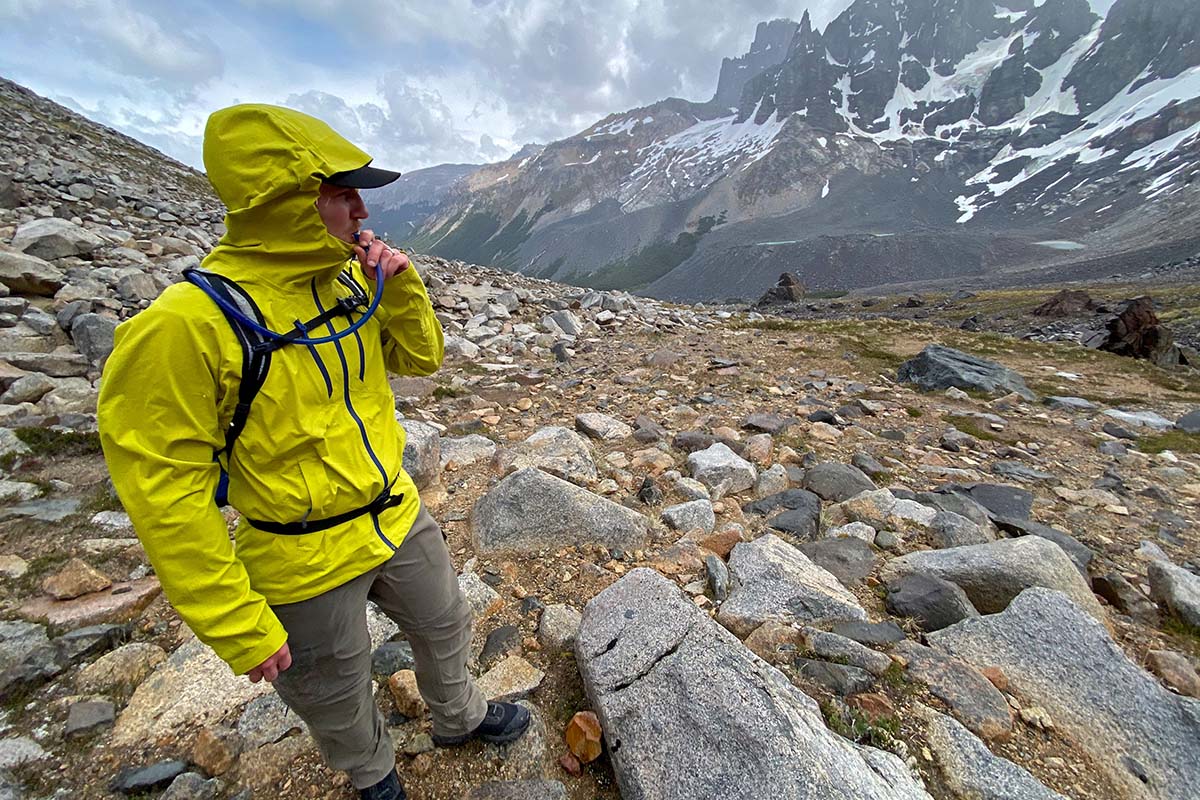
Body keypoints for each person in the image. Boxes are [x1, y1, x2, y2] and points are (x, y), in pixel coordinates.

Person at [97, 104, 529, 800]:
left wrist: (402, 285)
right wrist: (235, 621)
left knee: (446, 620)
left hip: (393, 512)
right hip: (297, 547)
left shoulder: (351, 279)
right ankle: (373, 774)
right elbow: (164, 494)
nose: (360, 206)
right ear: (286, 200)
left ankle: (459, 717)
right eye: (340, 191)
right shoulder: (185, 325)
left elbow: (422, 357)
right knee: (331, 682)